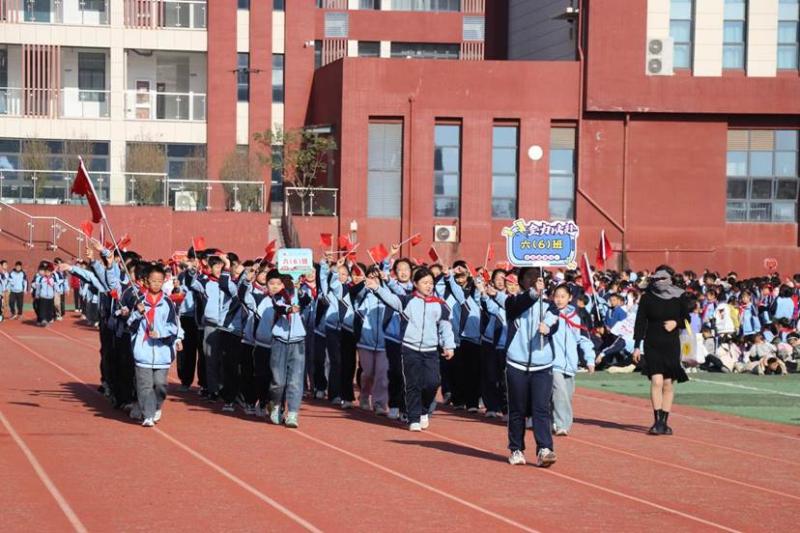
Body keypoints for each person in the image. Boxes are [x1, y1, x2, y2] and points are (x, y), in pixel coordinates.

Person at [366, 267, 455, 432]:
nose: (429, 286)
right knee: (412, 384)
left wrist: (449, 345)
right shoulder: (407, 301)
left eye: (431, 283)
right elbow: (390, 298)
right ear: (415, 284)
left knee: (432, 382)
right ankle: (414, 418)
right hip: (409, 348)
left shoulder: (440, 304)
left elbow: (445, 326)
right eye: (425, 283)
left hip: (431, 350)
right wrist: (376, 287)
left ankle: (424, 410)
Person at [502, 268, 559, 467]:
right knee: (517, 409)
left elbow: (554, 320)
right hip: (516, 363)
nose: (533, 280)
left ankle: (545, 449)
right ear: (522, 281)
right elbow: (519, 306)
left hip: (542, 365)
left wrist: (547, 328)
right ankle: (516, 449)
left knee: (541, 408)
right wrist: (534, 293)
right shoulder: (513, 302)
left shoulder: (549, 305)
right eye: (528, 277)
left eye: (536, 277)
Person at [633, 266, 690, 436]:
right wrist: (637, 345)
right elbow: (640, 322)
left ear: (670, 279)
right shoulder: (647, 297)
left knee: (668, 383)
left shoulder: (679, 296)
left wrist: (676, 323)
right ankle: (657, 420)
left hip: (671, 344)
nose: (659, 282)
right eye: (656, 279)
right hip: (652, 343)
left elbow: (687, 319)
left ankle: (664, 422)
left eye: (663, 278)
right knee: (656, 381)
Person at [127, 263, 180, 427]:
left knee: (160, 385)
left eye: (159, 281)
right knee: (144, 385)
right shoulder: (139, 301)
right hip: (143, 352)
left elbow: (174, 326)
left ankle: (156, 406)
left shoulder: (168, 303)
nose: (156, 284)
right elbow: (130, 325)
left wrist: (160, 333)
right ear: (146, 282)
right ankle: (148, 414)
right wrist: (137, 313)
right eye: (153, 281)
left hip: (162, 353)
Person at [549, 283, 596, 436]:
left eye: (563, 297)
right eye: (556, 296)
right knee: (560, 392)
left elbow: (584, 339)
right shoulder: (549, 314)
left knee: (566, 396)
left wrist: (590, 359)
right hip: (553, 362)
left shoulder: (576, 317)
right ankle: (561, 425)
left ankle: (555, 421)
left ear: (570, 298)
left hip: (570, 364)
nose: (559, 300)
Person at [354, 265, 389, 414]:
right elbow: (355, 299)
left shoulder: (387, 294)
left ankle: (379, 403)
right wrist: (364, 285)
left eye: (376, 277)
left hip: (384, 342)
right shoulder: (363, 295)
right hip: (366, 341)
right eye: (370, 277)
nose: (373, 280)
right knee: (368, 373)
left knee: (382, 374)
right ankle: (364, 395)